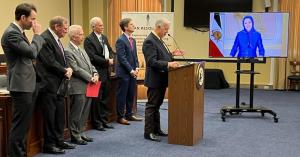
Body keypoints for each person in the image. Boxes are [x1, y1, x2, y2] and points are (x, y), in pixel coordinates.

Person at [1, 3, 45, 156]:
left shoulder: (19, 32)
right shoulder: (11, 33)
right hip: (21, 86)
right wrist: (37, 35)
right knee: (19, 127)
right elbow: (32, 53)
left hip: (28, 84)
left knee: (24, 126)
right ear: (23, 17)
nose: (34, 22)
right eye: (33, 19)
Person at [36, 16, 75, 154]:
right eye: (64, 29)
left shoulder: (57, 40)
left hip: (59, 85)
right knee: (50, 116)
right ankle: (49, 144)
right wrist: (65, 70)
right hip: (48, 85)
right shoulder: (45, 38)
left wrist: (68, 67)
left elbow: (62, 59)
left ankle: (59, 140)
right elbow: (49, 62)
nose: (66, 31)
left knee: (59, 114)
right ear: (57, 27)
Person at [142, 18, 183, 142]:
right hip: (155, 79)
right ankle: (148, 132)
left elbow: (162, 56)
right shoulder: (150, 41)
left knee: (157, 105)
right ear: (158, 27)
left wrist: (172, 54)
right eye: (165, 29)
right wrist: (168, 64)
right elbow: (151, 61)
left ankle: (157, 129)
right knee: (152, 105)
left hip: (161, 78)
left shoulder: (159, 40)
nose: (167, 31)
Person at [65, 25, 98, 145]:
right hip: (78, 87)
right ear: (73, 36)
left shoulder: (82, 49)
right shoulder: (67, 51)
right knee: (76, 112)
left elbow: (90, 65)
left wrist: (95, 74)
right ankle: (75, 135)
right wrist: (91, 78)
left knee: (85, 112)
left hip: (89, 85)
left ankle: (81, 132)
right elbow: (76, 69)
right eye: (80, 34)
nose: (83, 36)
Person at [84, 17, 114, 131]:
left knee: (105, 98)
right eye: (100, 25)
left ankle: (104, 120)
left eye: (102, 25)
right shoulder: (89, 40)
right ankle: (97, 123)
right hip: (96, 73)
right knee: (96, 99)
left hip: (106, 72)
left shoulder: (104, 38)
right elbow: (92, 57)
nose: (102, 27)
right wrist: (106, 61)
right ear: (93, 27)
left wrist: (111, 58)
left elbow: (110, 50)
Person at [115, 18, 143, 125]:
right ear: (125, 27)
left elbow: (135, 56)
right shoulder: (120, 40)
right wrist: (131, 70)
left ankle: (129, 114)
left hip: (132, 73)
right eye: (131, 24)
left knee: (131, 94)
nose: (134, 25)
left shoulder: (133, 40)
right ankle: (120, 116)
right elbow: (122, 58)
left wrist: (136, 67)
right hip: (124, 73)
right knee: (122, 95)